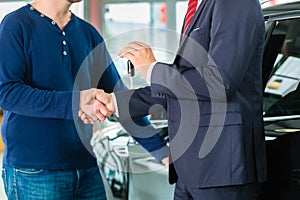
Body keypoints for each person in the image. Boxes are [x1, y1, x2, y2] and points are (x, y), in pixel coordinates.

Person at [80, 0, 267, 199]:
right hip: (189, 171)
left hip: (221, 171)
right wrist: (115, 102)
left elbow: (220, 82)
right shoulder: (199, 6)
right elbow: (184, 89)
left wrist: (152, 69)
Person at [0, 0, 168, 199]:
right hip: (34, 171)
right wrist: (76, 101)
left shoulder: (88, 33)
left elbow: (119, 99)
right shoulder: (15, 25)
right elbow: (6, 92)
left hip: (86, 166)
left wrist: (162, 152)